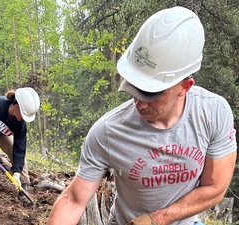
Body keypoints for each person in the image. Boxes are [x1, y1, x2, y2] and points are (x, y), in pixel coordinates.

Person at [47, 6, 237, 225]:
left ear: (185, 87)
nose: (139, 103)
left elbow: (215, 188)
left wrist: (158, 219)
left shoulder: (212, 113)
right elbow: (74, 199)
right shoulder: (109, 131)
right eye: (134, 88)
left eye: (151, 93)